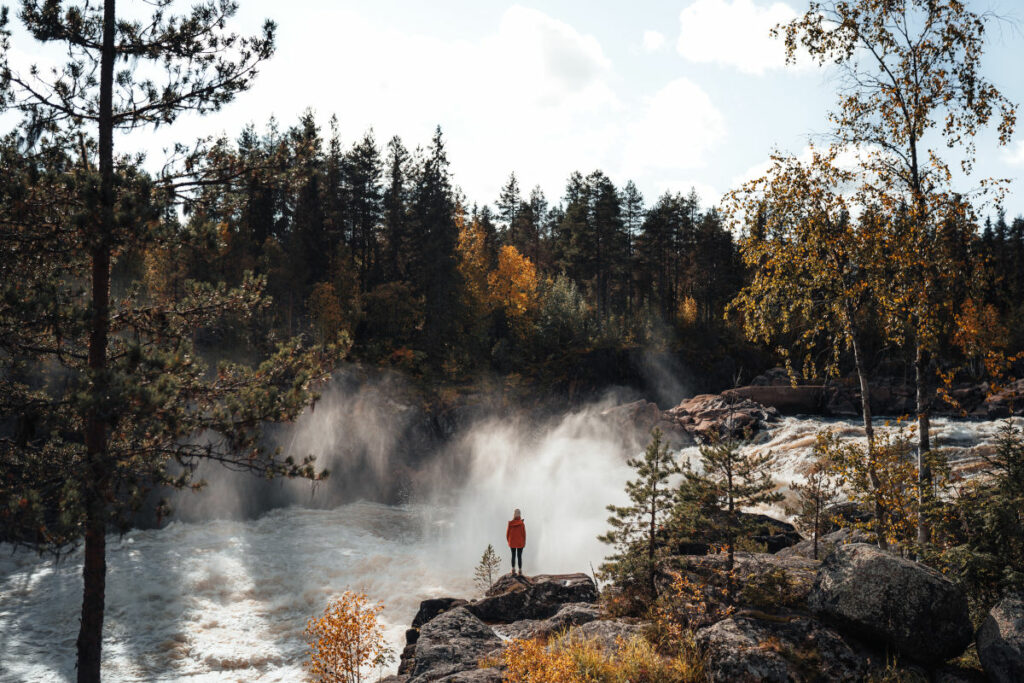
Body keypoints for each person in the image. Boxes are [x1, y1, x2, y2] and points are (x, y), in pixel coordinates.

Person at [506, 509, 526, 576]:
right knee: (519, 556)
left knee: (513, 555)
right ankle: (520, 571)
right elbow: (524, 534)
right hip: (520, 542)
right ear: (520, 515)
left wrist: (509, 541)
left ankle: (513, 570)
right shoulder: (522, 524)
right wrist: (524, 542)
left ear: (514, 514)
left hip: (512, 542)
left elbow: (507, 534)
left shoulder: (510, 523)